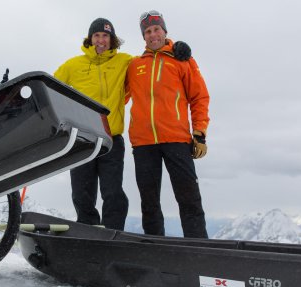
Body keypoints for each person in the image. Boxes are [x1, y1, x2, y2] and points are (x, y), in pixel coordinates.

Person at [126, 10, 210, 238]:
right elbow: (117, 97)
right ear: (143, 37)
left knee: (189, 198)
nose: (153, 35)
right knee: (149, 202)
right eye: (148, 32)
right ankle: (155, 248)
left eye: (156, 29)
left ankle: (199, 250)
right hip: (143, 143)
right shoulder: (134, 66)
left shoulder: (181, 60)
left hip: (177, 140)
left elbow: (199, 97)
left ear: (164, 31)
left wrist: (199, 133)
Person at [54, 18, 131, 230]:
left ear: (112, 40)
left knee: (113, 192)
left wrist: (175, 50)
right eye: (96, 35)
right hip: (81, 139)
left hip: (111, 139)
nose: (101, 40)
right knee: (82, 193)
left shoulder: (125, 61)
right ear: (90, 39)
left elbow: (149, 66)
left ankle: (113, 234)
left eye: (105, 36)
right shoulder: (72, 65)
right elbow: (51, 90)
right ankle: (88, 232)